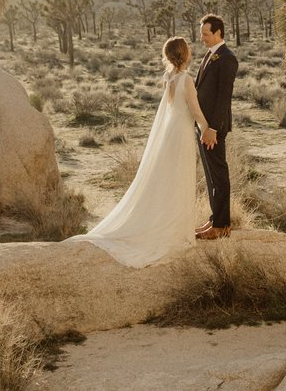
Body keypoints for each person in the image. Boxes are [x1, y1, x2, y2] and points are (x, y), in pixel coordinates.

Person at [81, 35, 213, 267]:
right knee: (180, 179)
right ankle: (176, 231)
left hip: (170, 133)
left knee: (168, 180)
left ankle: (168, 224)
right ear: (185, 53)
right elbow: (194, 110)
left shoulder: (168, 76)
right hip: (181, 135)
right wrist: (206, 128)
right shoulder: (186, 79)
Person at [194, 13, 239, 240]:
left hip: (213, 128)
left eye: (205, 34)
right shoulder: (210, 55)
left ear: (218, 32)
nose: (202, 37)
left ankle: (222, 225)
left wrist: (212, 127)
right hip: (203, 126)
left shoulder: (227, 58)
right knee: (211, 175)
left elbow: (224, 97)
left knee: (219, 175)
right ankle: (214, 219)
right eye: (201, 33)